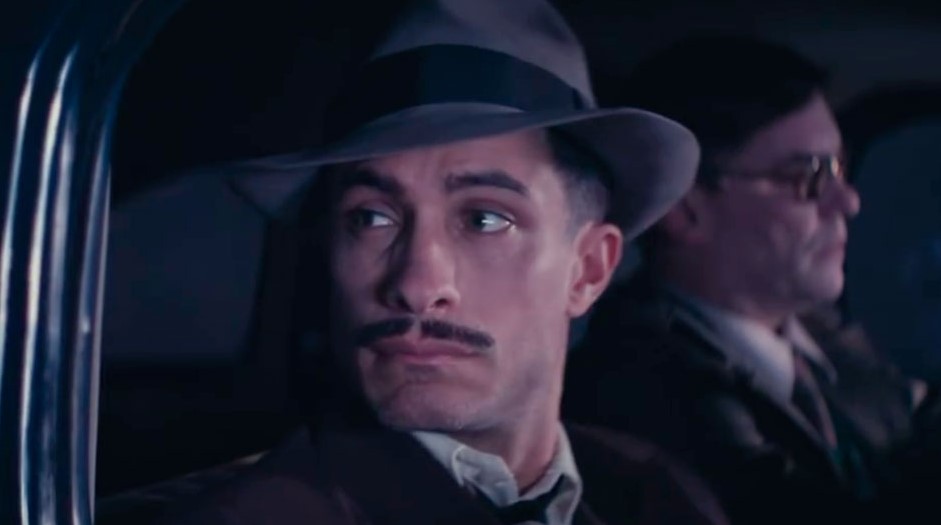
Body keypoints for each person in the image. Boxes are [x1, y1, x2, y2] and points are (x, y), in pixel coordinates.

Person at [160, 2, 729, 524]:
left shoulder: (657, 494)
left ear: (587, 269)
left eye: (485, 220)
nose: (416, 284)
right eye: (371, 218)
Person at [563, 35, 940, 525]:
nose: (848, 201)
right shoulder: (635, 381)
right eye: (810, 176)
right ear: (686, 210)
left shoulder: (827, 344)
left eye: (841, 167)